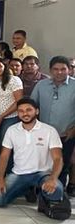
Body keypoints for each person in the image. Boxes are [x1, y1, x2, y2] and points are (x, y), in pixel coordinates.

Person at [0, 98, 64, 208]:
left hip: (43, 174)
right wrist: (0, 180)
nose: (25, 113)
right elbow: (4, 156)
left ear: (37, 111)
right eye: (21, 111)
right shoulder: (12, 130)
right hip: (19, 174)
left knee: (56, 191)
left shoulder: (49, 131)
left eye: (28, 110)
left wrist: (53, 179)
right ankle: (27, 189)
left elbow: (58, 158)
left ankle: (40, 193)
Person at [31, 56, 75, 194]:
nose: (59, 72)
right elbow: (32, 106)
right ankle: (40, 189)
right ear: (50, 70)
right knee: (42, 163)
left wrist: (74, 129)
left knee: (62, 164)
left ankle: (56, 193)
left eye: (63, 69)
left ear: (69, 70)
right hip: (43, 134)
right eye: (55, 69)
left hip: (66, 134)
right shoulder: (41, 85)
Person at [0, 58, 23, 179]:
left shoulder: (14, 80)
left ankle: (10, 176)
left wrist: (1, 116)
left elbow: (19, 101)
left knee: (6, 147)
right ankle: (0, 175)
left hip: (10, 118)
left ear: (5, 67)